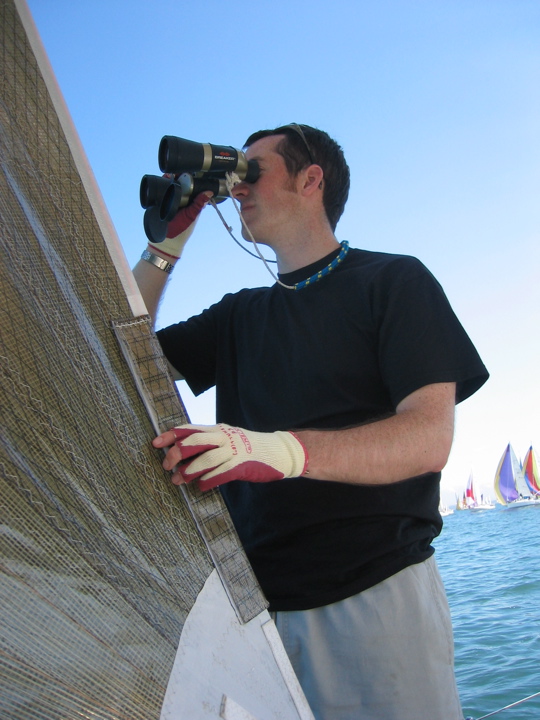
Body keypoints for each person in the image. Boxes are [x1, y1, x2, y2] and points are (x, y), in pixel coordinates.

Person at [133, 123, 489, 720]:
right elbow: (118, 352)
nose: (238, 187)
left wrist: (280, 451)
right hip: (252, 619)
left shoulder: (394, 282)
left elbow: (429, 437)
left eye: (254, 170)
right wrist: (164, 247)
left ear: (311, 178)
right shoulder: (239, 315)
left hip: (375, 602)